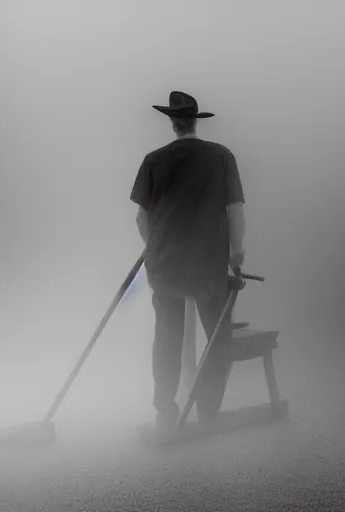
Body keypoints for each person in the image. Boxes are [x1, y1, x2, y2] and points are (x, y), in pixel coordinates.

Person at [130, 91, 246, 436]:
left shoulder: (153, 160)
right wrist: (236, 255)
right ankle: (208, 409)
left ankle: (166, 411)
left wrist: (155, 246)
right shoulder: (221, 156)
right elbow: (235, 209)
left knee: (166, 339)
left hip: (164, 264)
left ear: (171, 122)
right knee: (217, 337)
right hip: (209, 264)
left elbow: (141, 218)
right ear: (196, 120)